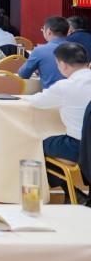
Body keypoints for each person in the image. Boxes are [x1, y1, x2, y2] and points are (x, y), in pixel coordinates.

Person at [25, 43, 91, 202]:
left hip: (77, 147)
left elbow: (36, 102)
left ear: (62, 64)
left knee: (34, 146)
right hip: (85, 146)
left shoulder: (65, 86)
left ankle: (69, 191)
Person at [19, 15, 70, 89]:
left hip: (51, 93)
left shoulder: (39, 51)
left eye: (43, 29)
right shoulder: (79, 49)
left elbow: (23, 74)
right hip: (77, 94)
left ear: (48, 31)